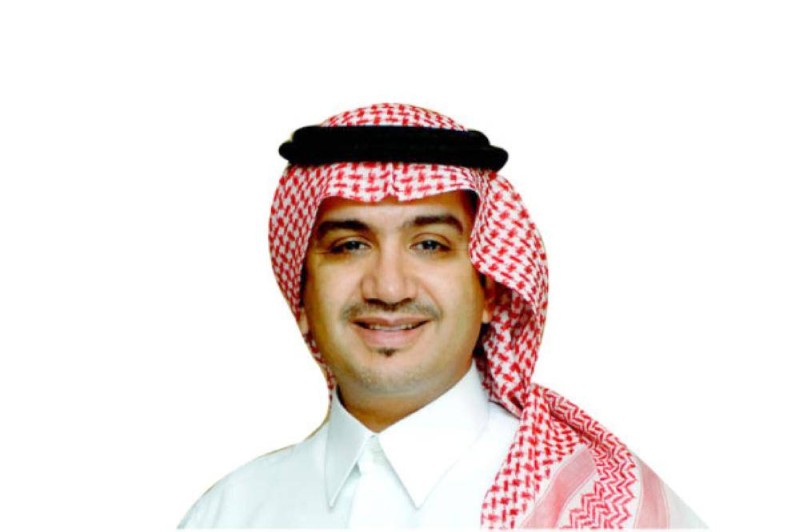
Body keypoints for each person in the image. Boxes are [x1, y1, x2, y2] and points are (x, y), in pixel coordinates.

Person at [179, 103, 704, 528]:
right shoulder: (228, 515)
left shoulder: (607, 508)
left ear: (491, 288)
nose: (388, 288)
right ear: (301, 297)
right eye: (349, 246)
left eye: (430, 244)